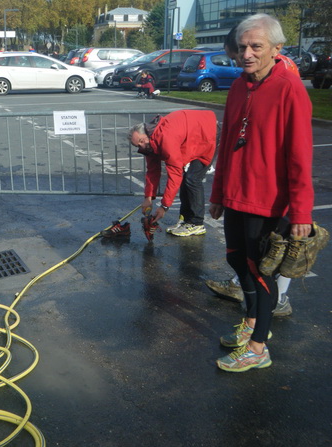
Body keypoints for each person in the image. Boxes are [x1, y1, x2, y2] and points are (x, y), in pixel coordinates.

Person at [209, 14, 314, 372]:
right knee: (237, 260)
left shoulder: (289, 88)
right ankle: (251, 323)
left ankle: (257, 348)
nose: (248, 54)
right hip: (236, 194)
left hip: (266, 199)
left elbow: (300, 155)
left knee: (259, 271)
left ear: (276, 49)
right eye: (243, 47)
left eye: (256, 47)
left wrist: (301, 212)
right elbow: (226, 145)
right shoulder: (240, 86)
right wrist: (218, 192)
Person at [128, 109, 217, 237]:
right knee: (187, 179)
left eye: (140, 142)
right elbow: (153, 171)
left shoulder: (165, 138)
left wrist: (164, 207)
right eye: (137, 145)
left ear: (145, 135)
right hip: (194, 135)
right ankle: (186, 220)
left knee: (192, 179)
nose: (140, 147)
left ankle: (197, 223)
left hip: (208, 133)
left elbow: (175, 174)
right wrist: (148, 198)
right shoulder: (150, 143)